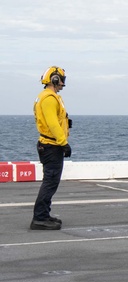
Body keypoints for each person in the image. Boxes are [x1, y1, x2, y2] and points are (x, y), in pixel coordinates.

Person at [31, 66, 71, 230]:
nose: (63, 83)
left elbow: (57, 119)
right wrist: (64, 143)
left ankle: (44, 214)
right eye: (62, 79)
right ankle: (39, 218)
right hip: (51, 146)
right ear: (55, 79)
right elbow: (52, 124)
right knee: (50, 182)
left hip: (49, 145)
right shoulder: (49, 98)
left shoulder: (49, 97)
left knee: (51, 182)